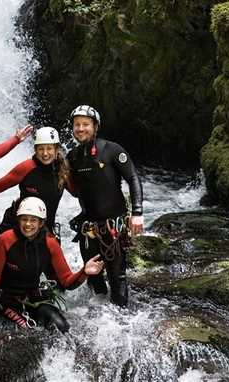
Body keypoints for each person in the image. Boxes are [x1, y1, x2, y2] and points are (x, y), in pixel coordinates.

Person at [0, 197, 104, 332]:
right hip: (3, 300)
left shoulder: (50, 244)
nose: (28, 224)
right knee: (28, 331)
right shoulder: (6, 240)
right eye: (24, 219)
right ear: (18, 220)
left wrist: (84, 271)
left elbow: (67, 282)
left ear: (41, 223)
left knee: (62, 326)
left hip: (31, 298)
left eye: (33, 220)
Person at [65, 105, 143, 307]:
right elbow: (74, 189)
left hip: (113, 227)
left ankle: (122, 322)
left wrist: (137, 212)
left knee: (118, 279)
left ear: (95, 126)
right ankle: (97, 322)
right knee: (94, 280)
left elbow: (133, 178)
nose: (80, 129)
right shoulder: (72, 157)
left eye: (85, 124)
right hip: (88, 229)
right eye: (77, 125)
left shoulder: (112, 150)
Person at [0, 126, 70, 236]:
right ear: (35, 149)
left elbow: (78, 193)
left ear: (57, 149)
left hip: (44, 229)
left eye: (49, 148)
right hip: (17, 225)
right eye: (41, 149)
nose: (45, 153)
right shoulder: (27, 167)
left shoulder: (64, 170)